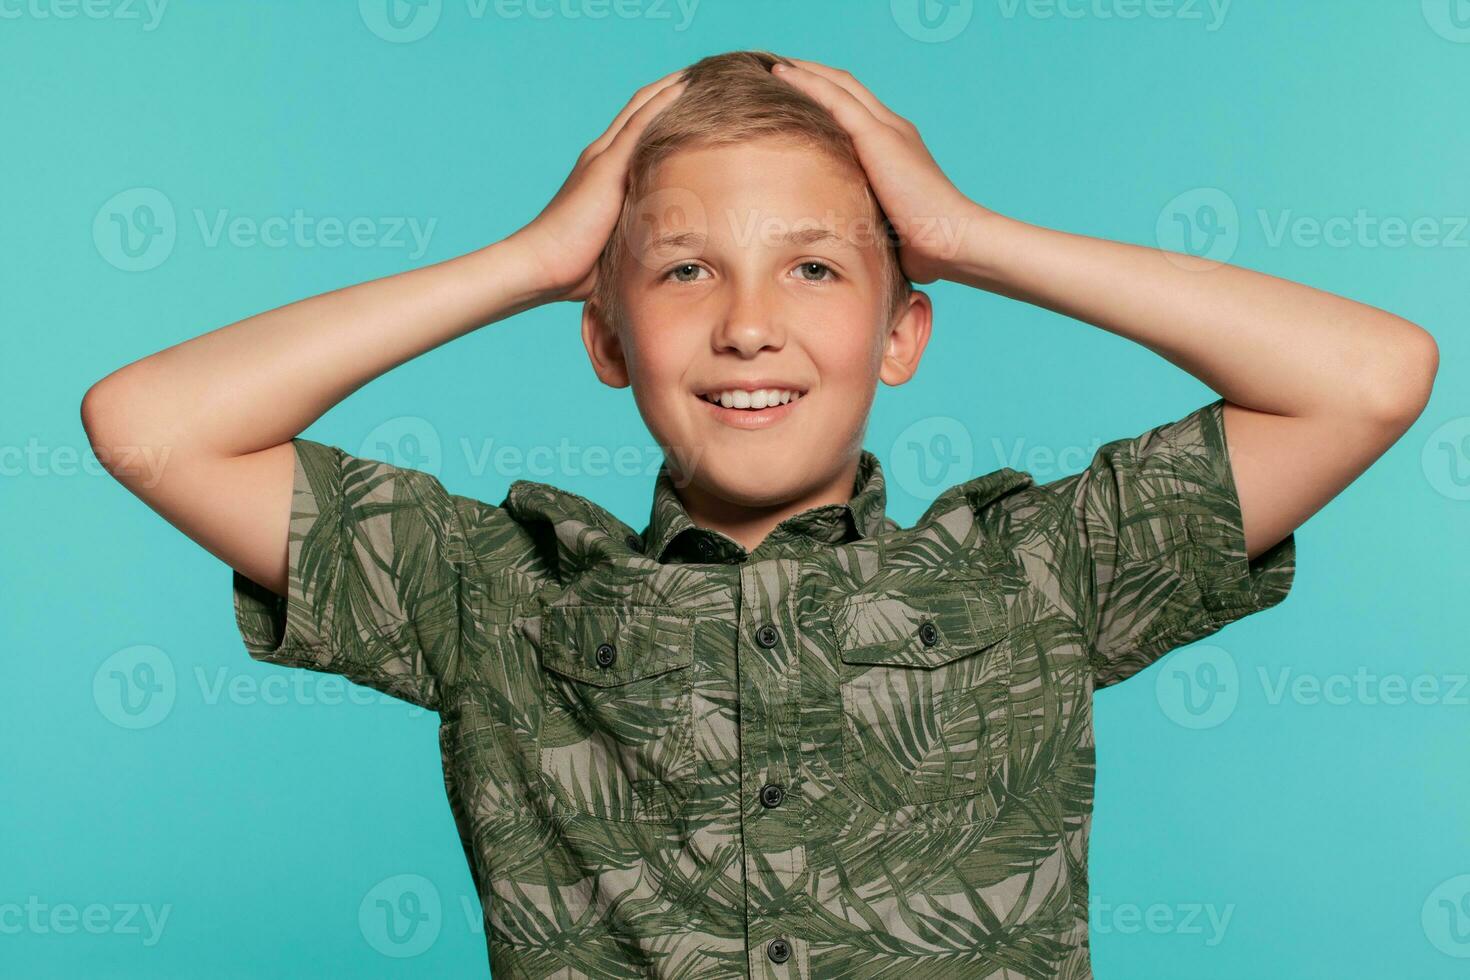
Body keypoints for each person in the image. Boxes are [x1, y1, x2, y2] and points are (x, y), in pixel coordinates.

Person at [82, 49, 1437, 979]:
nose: (745, 326)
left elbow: (1368, 379)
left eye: (811, 268)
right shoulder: (494, 597)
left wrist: (968, 237)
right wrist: (527, 262)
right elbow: (150, 425)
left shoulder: (1039, 574)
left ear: (900, 332)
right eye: (680, 272)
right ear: (606, 339)